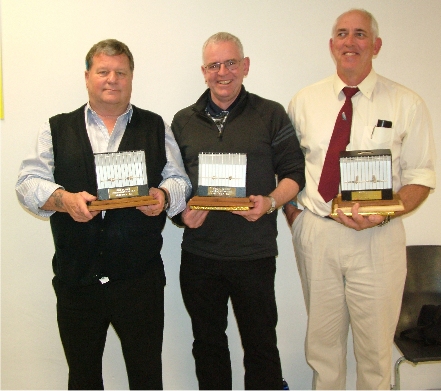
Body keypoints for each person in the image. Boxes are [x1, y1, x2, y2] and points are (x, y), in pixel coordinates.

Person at [16, 39, 191, 390]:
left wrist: (163, 196)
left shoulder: (157, 126)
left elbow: (179, 180)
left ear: (131, 77)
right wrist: (63, 199)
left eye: (121, 72)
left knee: (146, 378)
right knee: (82, 379)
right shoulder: (56, 128)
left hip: (139, 281)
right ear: (87, 77)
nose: (112, 79)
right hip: (76, 280)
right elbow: (27, 182)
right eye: (103, 71)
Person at [285, 9, 436, 390]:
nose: (350, 42)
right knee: (322, 349)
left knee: (375, 352)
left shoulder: (407, 103)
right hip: (318, 235)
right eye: (342, 34)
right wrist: (296, 218)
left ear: (377, 45)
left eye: (360, 34)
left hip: (378, 239)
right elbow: (287, 169)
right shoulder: (304, 101)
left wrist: (385, 215)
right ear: (332, 45)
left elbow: (420, 177)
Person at [170, 32, 305, 390]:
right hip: (201, 256)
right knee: (208, 345)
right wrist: (181, 213)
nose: (223, 72)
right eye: (214, 65)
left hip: (254, 254)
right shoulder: (183, 121)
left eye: (231, 63)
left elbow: (294, 173)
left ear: (245, 66)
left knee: (261, 345)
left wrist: (271, 202)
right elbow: (172, 182)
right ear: (204, 71)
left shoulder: (271, 114)